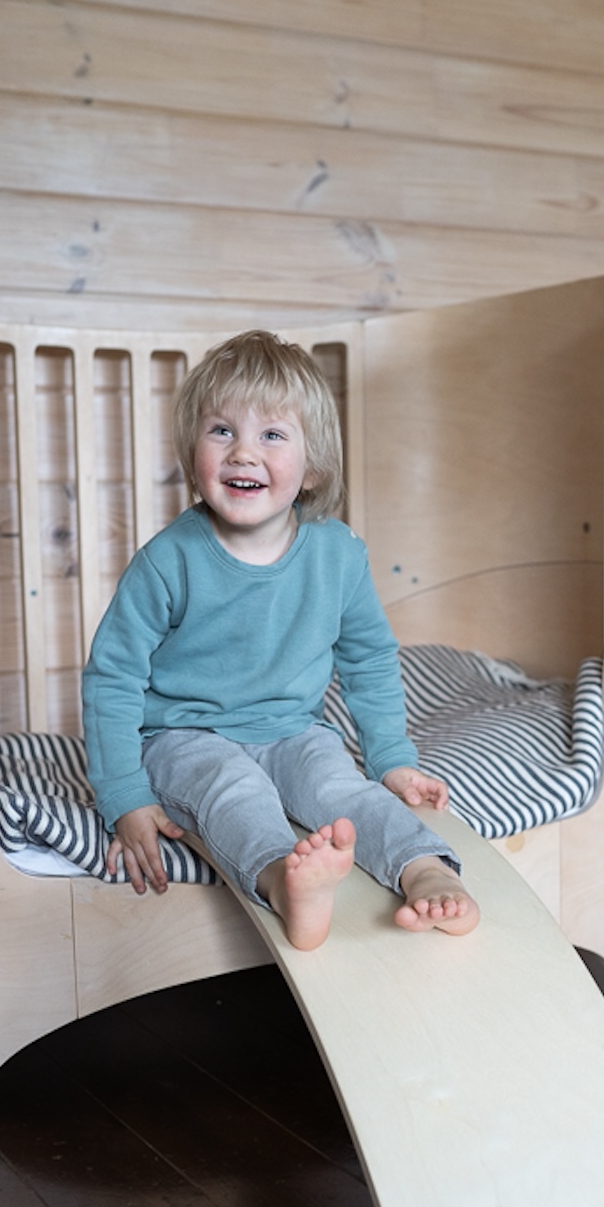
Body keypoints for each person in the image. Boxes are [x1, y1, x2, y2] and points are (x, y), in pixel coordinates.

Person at [82, 329, 479, 951]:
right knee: (234, 791)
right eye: (221, 431)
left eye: (271, 434)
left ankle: (422, 865)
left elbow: (370, 658)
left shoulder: (339, 556)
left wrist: (393, 760)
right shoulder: (168, 561)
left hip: (293, 728)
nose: (243, 453)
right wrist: (125, 796)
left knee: (339, 789)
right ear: (193, 456)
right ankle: (281, 880)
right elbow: (113, 677)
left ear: (313, 466)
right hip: (184, 733)